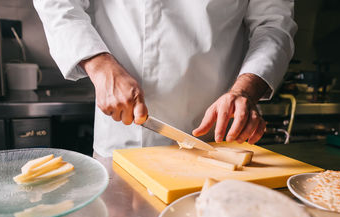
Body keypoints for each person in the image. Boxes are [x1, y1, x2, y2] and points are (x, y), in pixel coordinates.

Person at [33, 0, 297, 157]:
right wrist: (99, 65)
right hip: (126, 137)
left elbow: (274, 24)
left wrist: (244, 91)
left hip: (217, 139)